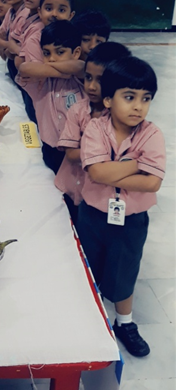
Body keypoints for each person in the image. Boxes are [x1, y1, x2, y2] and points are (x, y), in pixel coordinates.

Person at [77, 55, 165, 357]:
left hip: (131, 221)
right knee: (89, 267)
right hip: (91, 215)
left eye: (146, 98)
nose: (138, 106)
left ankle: (124, 322)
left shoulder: (152, 134)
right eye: (129, 97)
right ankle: (91, 317)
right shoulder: (95, 129)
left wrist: (114, 169)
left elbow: (152, 183)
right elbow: (97, 173)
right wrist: (138, 164)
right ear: (108, 100)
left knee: (124, 271)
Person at [55, 41, 131, 224]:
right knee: (70, 230)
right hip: (72, 186)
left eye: (101, 80)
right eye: (88, 77)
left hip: (102, 195)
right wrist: (104, 151)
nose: (91, 86)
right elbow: (71, 154)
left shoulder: (126, 119)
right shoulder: (78, 110)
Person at [18, 20, 86, 174]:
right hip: (51, 150)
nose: (52, 58)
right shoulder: (40, 83)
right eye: (46, 53)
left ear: (76, 53)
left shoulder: (81, 80)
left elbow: (80, 66)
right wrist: (62, 73)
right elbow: (24, 68)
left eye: (60, 52)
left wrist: (47, 68)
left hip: (79, 149)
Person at [15, 0, 75, 125]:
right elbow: (35, 70)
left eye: (61, 10)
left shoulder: (73, 36)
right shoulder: (35, 39)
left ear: (71, 15)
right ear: (40, 12)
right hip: (41, 98)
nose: (54, 14)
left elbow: (80, 66)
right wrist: (67, 72)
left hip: (65, 96)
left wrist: (49, 69)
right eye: (48, 8)